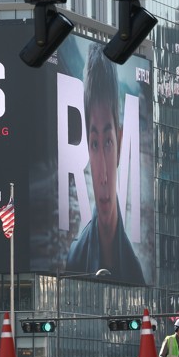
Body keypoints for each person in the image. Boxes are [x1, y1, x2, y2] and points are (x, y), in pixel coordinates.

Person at [65, 43, 145, 284]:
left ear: (119, 142)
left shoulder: (136, 271)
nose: (102, 176)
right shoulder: (75, 259)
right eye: (94, 144)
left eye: (108, 143)